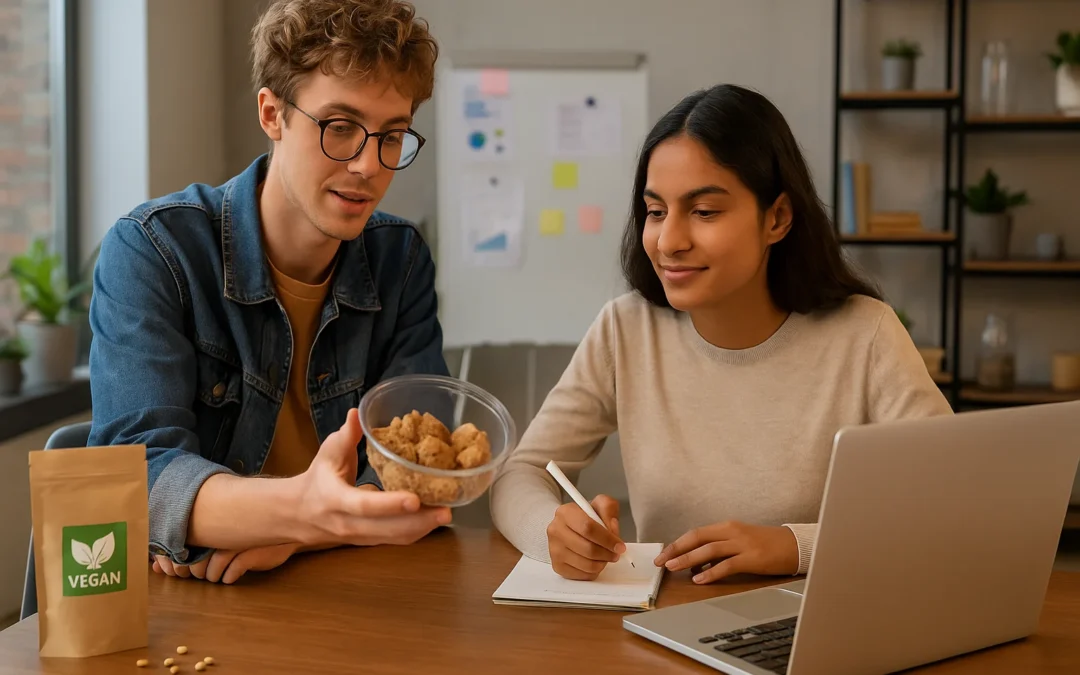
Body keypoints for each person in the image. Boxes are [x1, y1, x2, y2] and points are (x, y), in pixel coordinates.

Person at [489, 84, 953, 584]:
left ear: (776, 217)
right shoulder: (626, 329)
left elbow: (950, 501)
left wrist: (794, 546)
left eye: (704, 212)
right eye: (656, 212)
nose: (669, 241)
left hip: (813, 625)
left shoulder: (866, 334)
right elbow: (522, 473)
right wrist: (553, 534)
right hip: (665, 627)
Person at [88, 0, 451, 585]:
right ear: (272, 113)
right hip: (189, 596)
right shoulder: (154, 250)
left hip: (339, 588)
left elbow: (419, 477)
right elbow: (133, 480)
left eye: (392, 135)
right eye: (339, 127)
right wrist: (307, 515)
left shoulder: (399, 258)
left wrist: (297, 535)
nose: (367, 165)